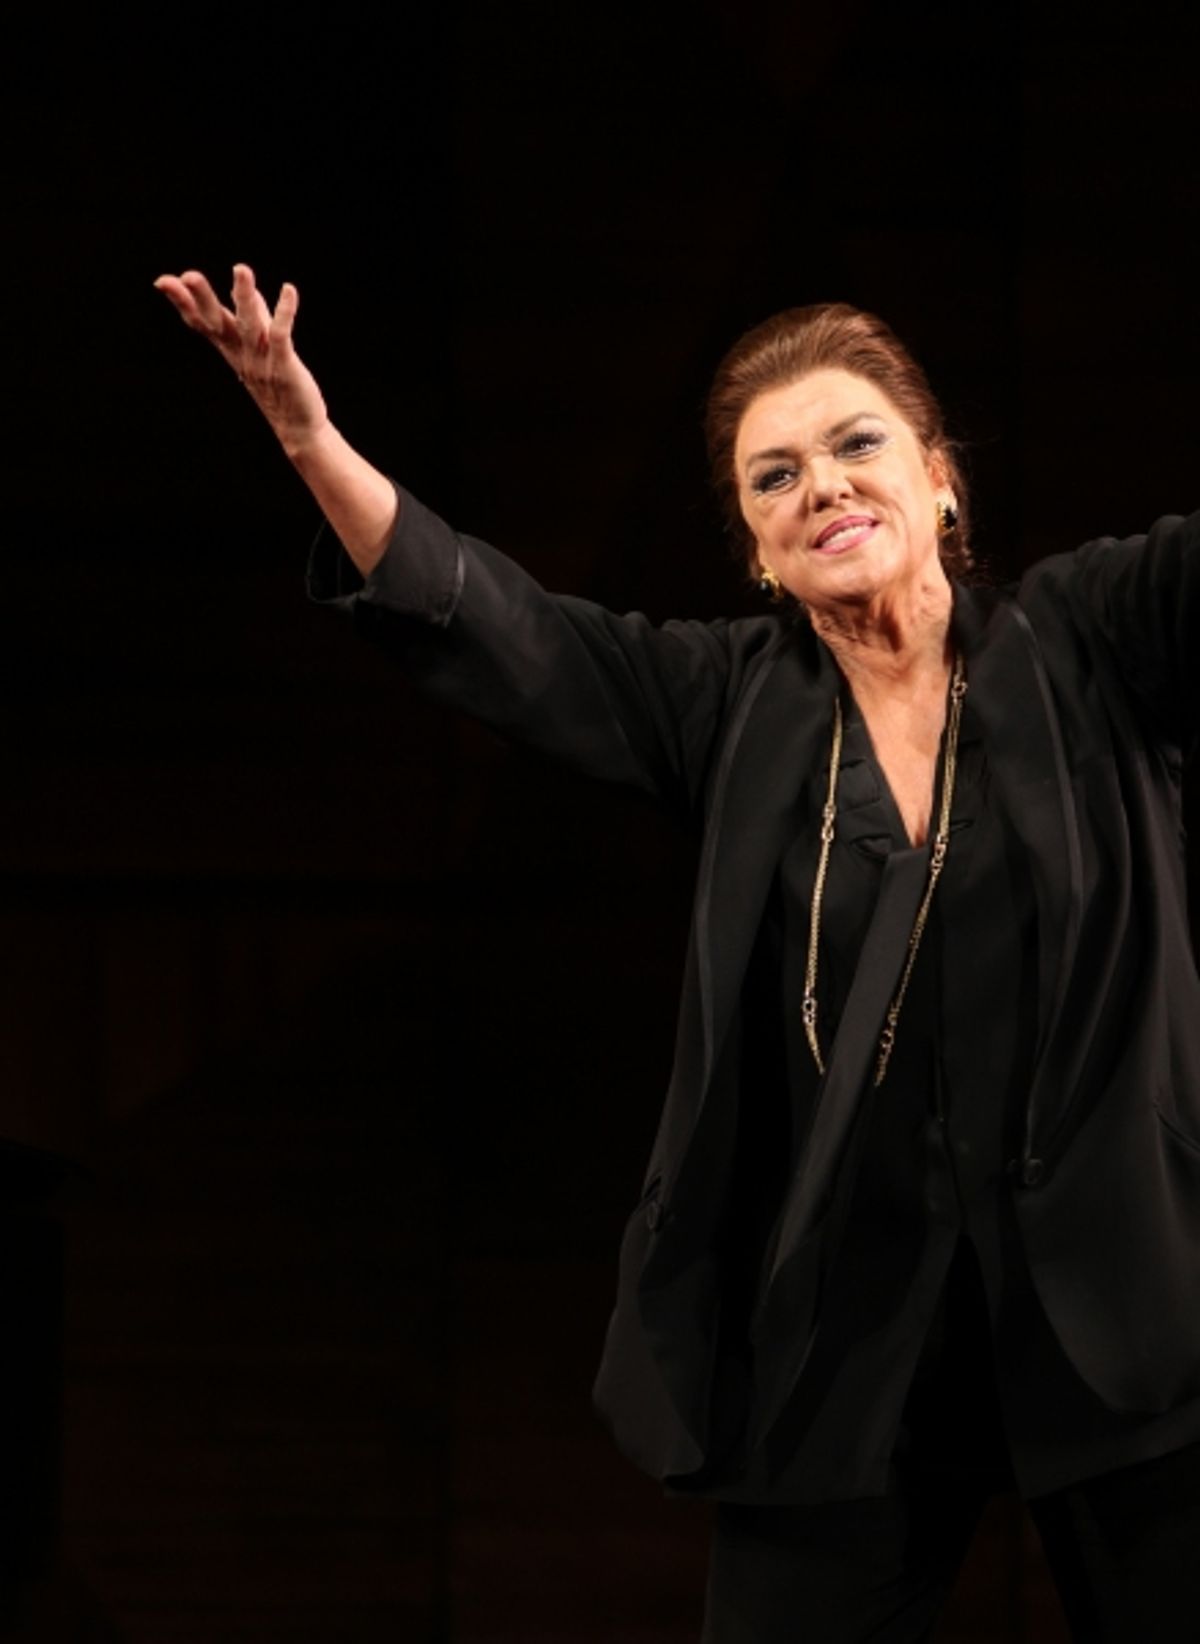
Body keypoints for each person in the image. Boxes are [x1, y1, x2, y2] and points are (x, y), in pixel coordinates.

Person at [156, 266, 1200, 1642]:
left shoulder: (1091, 640)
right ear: (758, 552)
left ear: (941, 482)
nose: (820, 485)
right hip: (848, 1333)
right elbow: (503, 630)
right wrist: (308, 436)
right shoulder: (726, 703)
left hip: (1127, 1302)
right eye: (774, 478)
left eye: (855, 445)